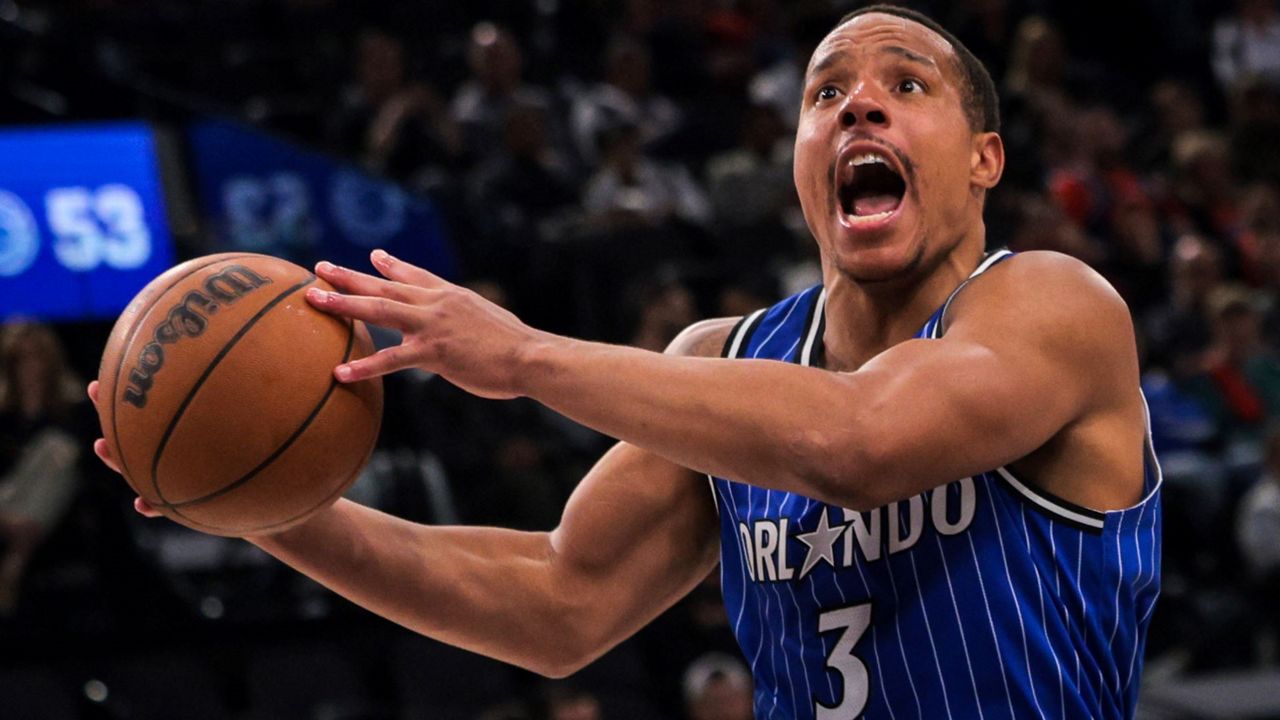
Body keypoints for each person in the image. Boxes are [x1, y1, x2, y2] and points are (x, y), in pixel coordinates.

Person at [89, 6, 1161, 718]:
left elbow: (858, 440)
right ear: (795, 156)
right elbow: (555, 603)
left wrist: (521, 355)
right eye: (823, 93)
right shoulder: (723, 361)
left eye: (905, 85)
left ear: (984, 161)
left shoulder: (1050, 305)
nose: (857, 105)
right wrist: (261, 506)